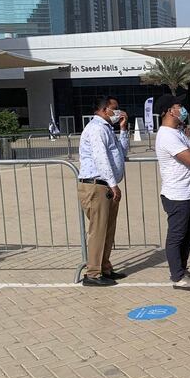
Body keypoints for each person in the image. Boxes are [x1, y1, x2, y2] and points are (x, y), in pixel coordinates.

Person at [77, 96, 130, 286]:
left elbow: (122, 153)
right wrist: (113, 184)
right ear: (105, 109)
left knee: (108, 230)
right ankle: (92, 273)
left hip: (105, 184)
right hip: (96, 184)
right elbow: (101, 158)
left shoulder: (108, 128)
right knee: (98, 231)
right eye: (115, 109)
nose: (118, 112)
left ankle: (105, 268)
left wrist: (123, 130)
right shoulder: (97, 129)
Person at [155, 94, 190, 291]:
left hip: (188, 192)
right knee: (176, 235)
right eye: (179, 106)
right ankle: (177, 275)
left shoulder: (178, 132)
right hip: (176, 194)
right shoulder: (167, 134)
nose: (182, 109)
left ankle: (182, 268)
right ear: (169, 111)